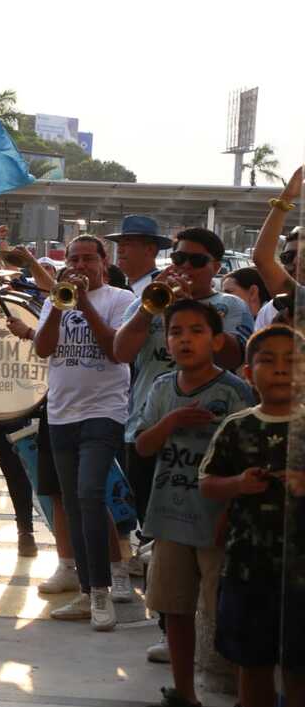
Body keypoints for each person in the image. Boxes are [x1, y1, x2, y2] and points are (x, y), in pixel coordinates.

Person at [133, 300, 254, 707]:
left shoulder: (234, 392)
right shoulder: (162, 387)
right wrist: (170, 423)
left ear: (217, 341)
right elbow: (143, 445)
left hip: (218, 521)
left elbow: (249, 457)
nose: (185, 339)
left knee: (228, 614)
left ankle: (247, 700)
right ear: (166, 342)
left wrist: (231, 512)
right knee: (175, 608)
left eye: (196, 331)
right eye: (176, 332)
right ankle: (185, 695)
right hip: (169, 518)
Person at [114, 228, 253, 544]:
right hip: (147, 429)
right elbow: (121, 353)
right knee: (151, 528)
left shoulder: (230, 305)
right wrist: (148, 308)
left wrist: (193, 310)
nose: (186, 267)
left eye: (197, 261)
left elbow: (234, 356)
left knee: (202, 526)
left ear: (216, 267)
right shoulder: (148, 300)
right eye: (179, 258)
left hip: (207, 434)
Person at [201, 325, 304, 707]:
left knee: (299, 668)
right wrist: (238, 484)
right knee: (253, 663)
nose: (280, 369)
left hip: (301, 577)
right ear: (247, 373)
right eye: (268, 360)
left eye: (292, 361)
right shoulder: (236, 426)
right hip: (248, 570)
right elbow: (207, 484)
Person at [34, 235, 135, 631]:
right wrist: (60, 306)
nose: (80, 266)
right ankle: (88, 587)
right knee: (74, 503)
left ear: (103, 262)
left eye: (88, 259)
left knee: (91, 493)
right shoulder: (54, 300)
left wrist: (85, 303)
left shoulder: (120, 299)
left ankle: (101, 591)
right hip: (61, 413)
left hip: (104, 411)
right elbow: (44, 349)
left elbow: (116, 350)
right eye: (74, 259)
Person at [251, 167, 304, 330]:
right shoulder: (270, 310)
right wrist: (286, 196)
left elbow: (263, 259)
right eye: (288, 256)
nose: (296, 262)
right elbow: (263, 259)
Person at [103, 215, 172, 296]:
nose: (119, 251)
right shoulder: (121, 287)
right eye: (119, 245)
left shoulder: (165, 287)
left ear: (150, 249)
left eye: (126, 244)